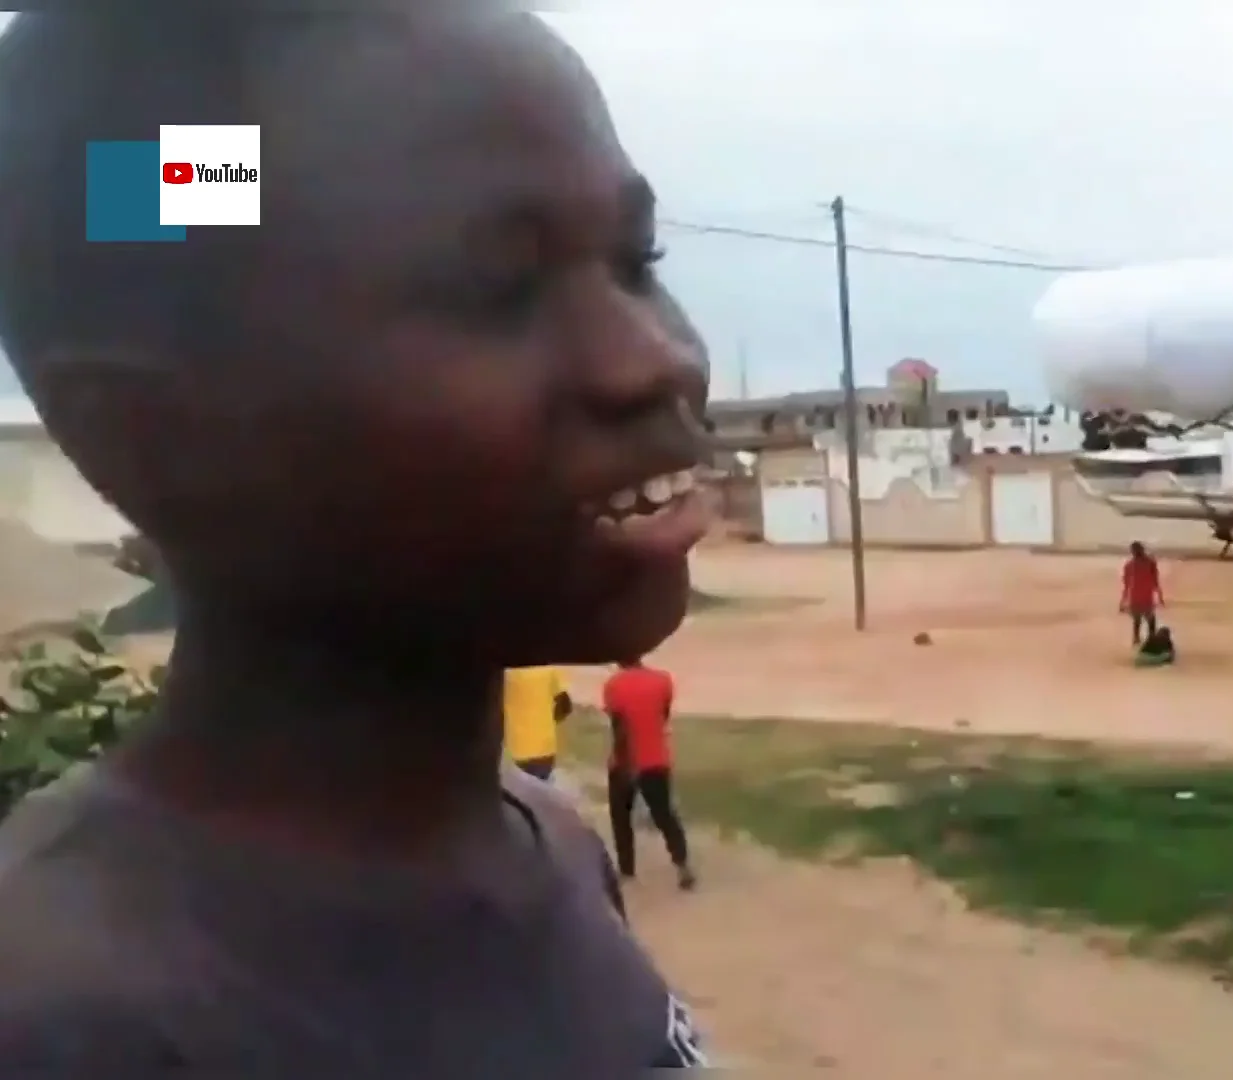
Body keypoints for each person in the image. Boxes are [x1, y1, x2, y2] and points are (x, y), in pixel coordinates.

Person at [0, 12, 716, 1074]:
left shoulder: (547, 842)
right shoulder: (70, 1019)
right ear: (162, 435)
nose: (651, 361)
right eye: (499, 290)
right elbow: (122, 192)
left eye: (634, 259)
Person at [601, 658, 695, 890]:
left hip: (626, 763)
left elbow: (619, 728)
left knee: (621, 817)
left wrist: (626, 764)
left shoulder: (613, 685)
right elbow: (663, 716)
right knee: (665, 815)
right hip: (656, 758)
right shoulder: (662, 680)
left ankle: (626, 870)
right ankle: (682, 865)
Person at [502, 665, 571, 781]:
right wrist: (547, 723)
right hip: (545, 748)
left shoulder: (506, 674)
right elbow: (566, 706)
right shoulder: (548, 670)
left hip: (515, 749)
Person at [1119, 541, 1165, 645]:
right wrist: (1160, 597)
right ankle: (1145, 641)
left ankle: (1141, 641)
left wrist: (1123, 602)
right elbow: (1155, 581)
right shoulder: (1144, 563)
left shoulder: (1133, 564)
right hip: (1141, 597)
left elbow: (1126, 586)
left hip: (1141, 597)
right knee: (1145, 622)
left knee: (1141, 622)